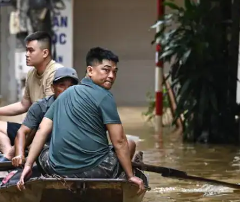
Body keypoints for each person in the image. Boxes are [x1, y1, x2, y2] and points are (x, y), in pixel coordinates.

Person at [17, 47, 145, 195]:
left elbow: (42, 130)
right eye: (106, 70)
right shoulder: (105, 96)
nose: (111, 76)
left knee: (44, 148)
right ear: (90, 71)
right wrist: (130, 176)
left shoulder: (63, 95)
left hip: (55, 169)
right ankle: (118, 181)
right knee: (130, 143)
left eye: (115, 72)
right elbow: (120, 142)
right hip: (96, 171)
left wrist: (28, 165)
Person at [0, 31, 63, 162]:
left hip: (48, 132)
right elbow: (23, 105)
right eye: (26, 50)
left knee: (30, 129)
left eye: (31, 50)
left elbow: (48, 117)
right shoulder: (31, 74)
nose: (26, 54)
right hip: (31, 128)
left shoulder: (56, 73)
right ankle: (10, 156)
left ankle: (11, 155)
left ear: (45, 53)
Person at [10, 67, 79, 167]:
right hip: (46, 151)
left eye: (71, 86)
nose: (66, 90)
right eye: (62, 86)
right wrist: (19, 155)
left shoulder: (82, 106)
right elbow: (22, 132)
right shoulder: (40, 107)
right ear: (52, 88)